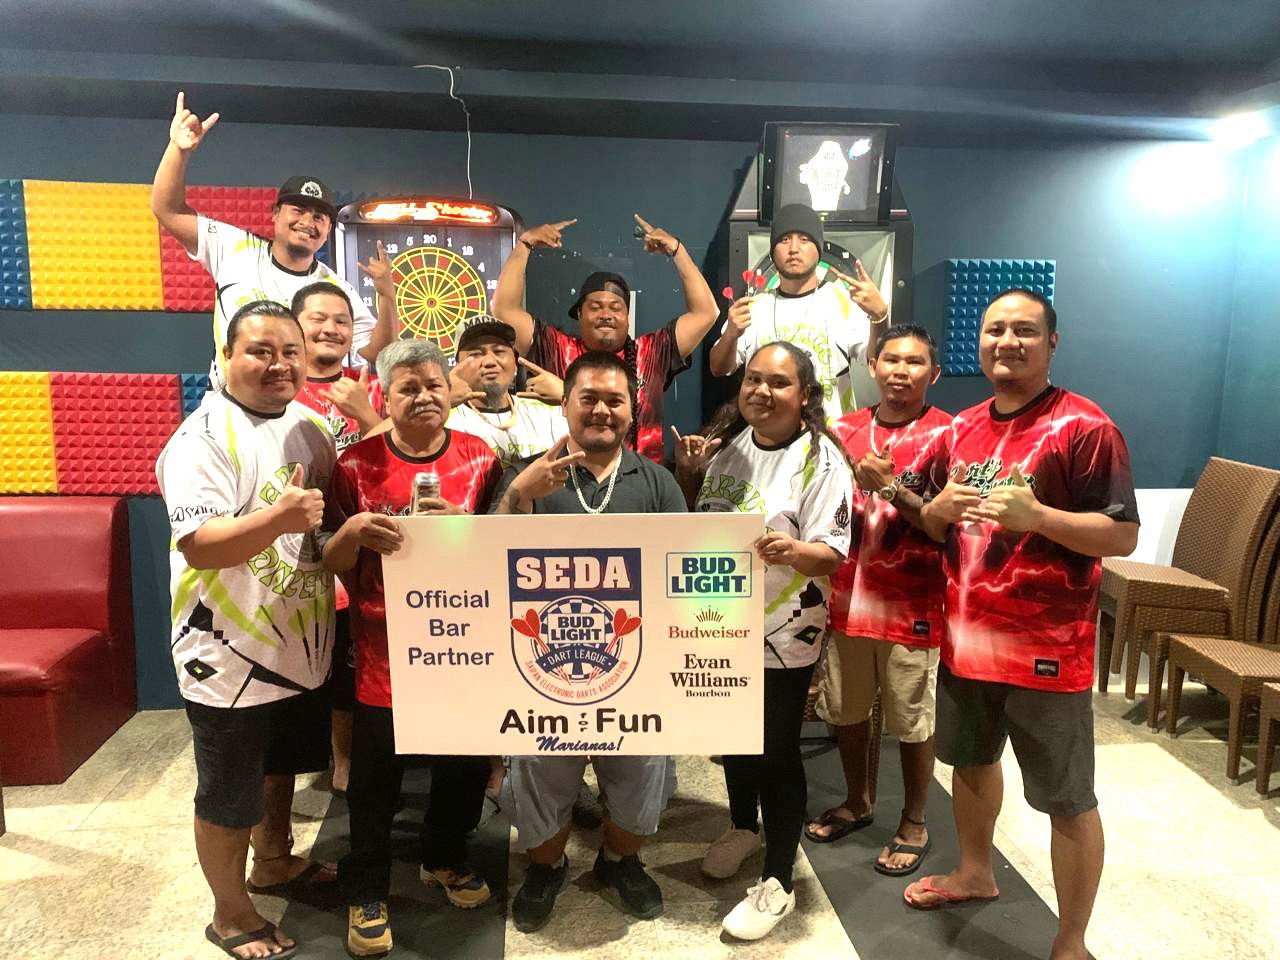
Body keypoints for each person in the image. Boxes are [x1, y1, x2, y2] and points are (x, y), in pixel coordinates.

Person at [896, 290, 1138, 960]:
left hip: (1048, 652)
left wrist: (1042, 520)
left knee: (1066, 798)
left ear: (1052, 343)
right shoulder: (961, 427)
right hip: (965, 644)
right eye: (995, 328)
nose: (1008, 340)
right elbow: (927, 518)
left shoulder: (1086, 428)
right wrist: (931, 505)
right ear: (979, 341)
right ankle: (975, 872)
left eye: (1025, 331)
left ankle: (1071, 939)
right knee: (970, 765)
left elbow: (1120, 536)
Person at [156, 300, 338, 960]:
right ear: (227, 357)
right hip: (225, 657)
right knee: (228, 794)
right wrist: (278, 521)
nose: (279, 363)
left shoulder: (311, 429)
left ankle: (275, 862)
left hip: (297, 645)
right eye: (261, 350)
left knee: (280, 767)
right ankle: (230, 915)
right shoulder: (199, 439)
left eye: (290, 351)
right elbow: (200, 544)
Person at [322, 340, 504, 958]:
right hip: (382, 648)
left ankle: (444, 858)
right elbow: (331, 562)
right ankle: (367, 886)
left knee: (462, 765)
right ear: (384, 396)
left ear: (449, 389)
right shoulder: (352, 466)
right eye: (408, 387)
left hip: (464, 644)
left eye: (433, 384)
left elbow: (500, 551)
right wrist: (349, 533)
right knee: (375, 779)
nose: (424, 396)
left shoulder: (481, 457)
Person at [492, 351, 684, 932]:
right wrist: (515, 499)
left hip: (635, 668)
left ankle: (618, 860)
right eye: (588, 398)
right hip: (541, 667)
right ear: (566, 404)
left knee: (640, 774)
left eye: (615, 400)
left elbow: (686, 572)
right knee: (540, 778)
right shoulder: (528, 474)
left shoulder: (656, 482)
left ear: (633, 409)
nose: (602, 409)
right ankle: (546, 870)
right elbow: (478, 564)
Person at [674, 341, 853, 941]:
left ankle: (779, 879)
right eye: (753, 379)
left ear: (805, 395)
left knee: (775, 750)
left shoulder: (823, 460)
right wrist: (688, 473)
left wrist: (792, 551)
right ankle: (745, 827)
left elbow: (830, 555)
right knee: (734, 738)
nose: (762, 391)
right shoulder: (728, 451)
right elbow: (704, 528)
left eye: (779, 383)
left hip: (785, 632)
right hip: (722, 621)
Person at [804, 325, 952, 880]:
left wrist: (892, 490)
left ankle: (915, 818)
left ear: (933, 374)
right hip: (845, 599)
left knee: (911, 719)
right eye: (891, 359)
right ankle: (858, 800)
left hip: (913, 602)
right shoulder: (843, 431)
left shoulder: (949, 434)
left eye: (915, 362)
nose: (901, 370)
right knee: (846, 710)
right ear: (871, 365)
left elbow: (946, 529)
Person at [150, 91, 396, 388]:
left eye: (319, 217)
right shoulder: (233, 248)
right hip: (230, 406)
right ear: (275, 215)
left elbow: (379, 352)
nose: (308, 222)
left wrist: (387, 296)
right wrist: (179, 149)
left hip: (300, 412)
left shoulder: (335, 290)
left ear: (329, 229)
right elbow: (168, 210)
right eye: (298, 211)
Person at [491, 212, 720, 462]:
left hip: (639, 482)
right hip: (567, 479)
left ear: (627, 316)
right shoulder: (555, 346)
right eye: (596, 306)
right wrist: (525, 244)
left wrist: (678, 251)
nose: (606, 314)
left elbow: (707, 312)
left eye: (616, 307)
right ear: (579, 313)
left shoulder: (653, 351)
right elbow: (504, 309)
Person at [290, 279, 390, 796]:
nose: (330, 329)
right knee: (319, 666)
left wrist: (367, 416)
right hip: (289, 547)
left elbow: (395, 453)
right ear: (296, 327)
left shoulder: (367, 386)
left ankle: (351, 759)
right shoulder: (278, 390)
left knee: (353, 661)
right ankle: (331, 758)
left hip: (357, 542)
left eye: (341, 321)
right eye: (318, 319)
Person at [708, 203, 889, 422]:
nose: (794, 248)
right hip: (766, 441)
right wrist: (730, 335)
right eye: (784, 240)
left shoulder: (841, 302)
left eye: (804, 239)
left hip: (828, 441)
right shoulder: (755, 307)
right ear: (773, 250)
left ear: (819, 248)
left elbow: (878, 363)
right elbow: (718, 368)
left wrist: (880, 317)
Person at [447, 315, 569, 469]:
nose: (490, 361)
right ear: (457, 364)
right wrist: (441, 401)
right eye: (476, 354)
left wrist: (568, 395)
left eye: (499, 351)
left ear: (515, 363)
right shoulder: (443, 417)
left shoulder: (550, 411)